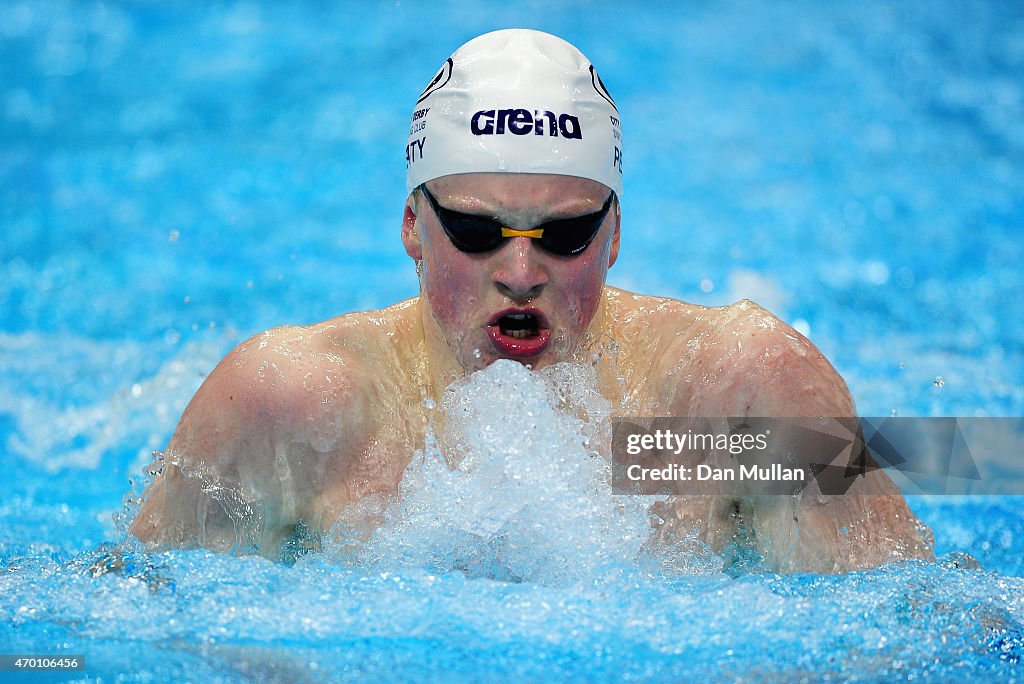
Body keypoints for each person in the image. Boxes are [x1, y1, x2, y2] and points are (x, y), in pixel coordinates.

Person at [130, 29, 933, 572]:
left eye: (566, 233)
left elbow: (909, 627)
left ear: (615, 234)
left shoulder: (725, 404)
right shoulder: (289, 408)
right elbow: (137, 630)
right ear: (413, 226)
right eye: (478, 232)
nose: (520, 272)